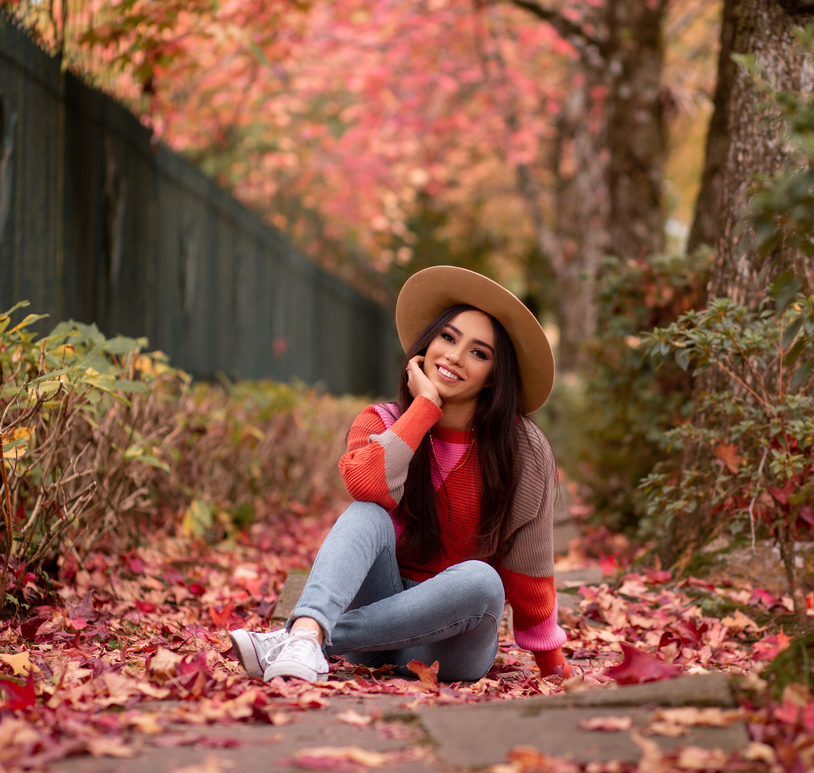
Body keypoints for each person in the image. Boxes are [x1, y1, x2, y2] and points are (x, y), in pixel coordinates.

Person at [227, 266, 571, 682]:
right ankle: (306, 634)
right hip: (374, 639)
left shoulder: (522, 449)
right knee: (367, 512)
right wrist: (424, 409)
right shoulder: (380, 421)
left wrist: (554, 668)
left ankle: (303, 638)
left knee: (482, 582)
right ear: (427, 345)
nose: (455, 357)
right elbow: (366, 485)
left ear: (494, 376)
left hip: (449, 648)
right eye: (448, 337)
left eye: (479, 353)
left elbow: (530, 567)